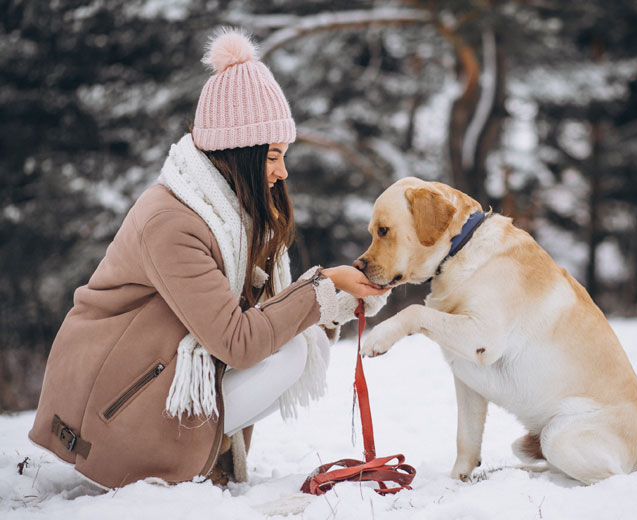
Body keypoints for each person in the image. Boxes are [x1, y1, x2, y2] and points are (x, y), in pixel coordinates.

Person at [28, 28, 389, 489]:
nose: (282, 172)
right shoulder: (173, 222)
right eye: (273, 156)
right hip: (109, 410)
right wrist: (323, 285)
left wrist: (337, 296)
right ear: (239, 153)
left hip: (148, 380)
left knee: (306, 343)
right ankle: (167, 462)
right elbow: (239, 341)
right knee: (291, 351)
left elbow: (267, 317)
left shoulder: (226, 214)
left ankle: (203, 454)